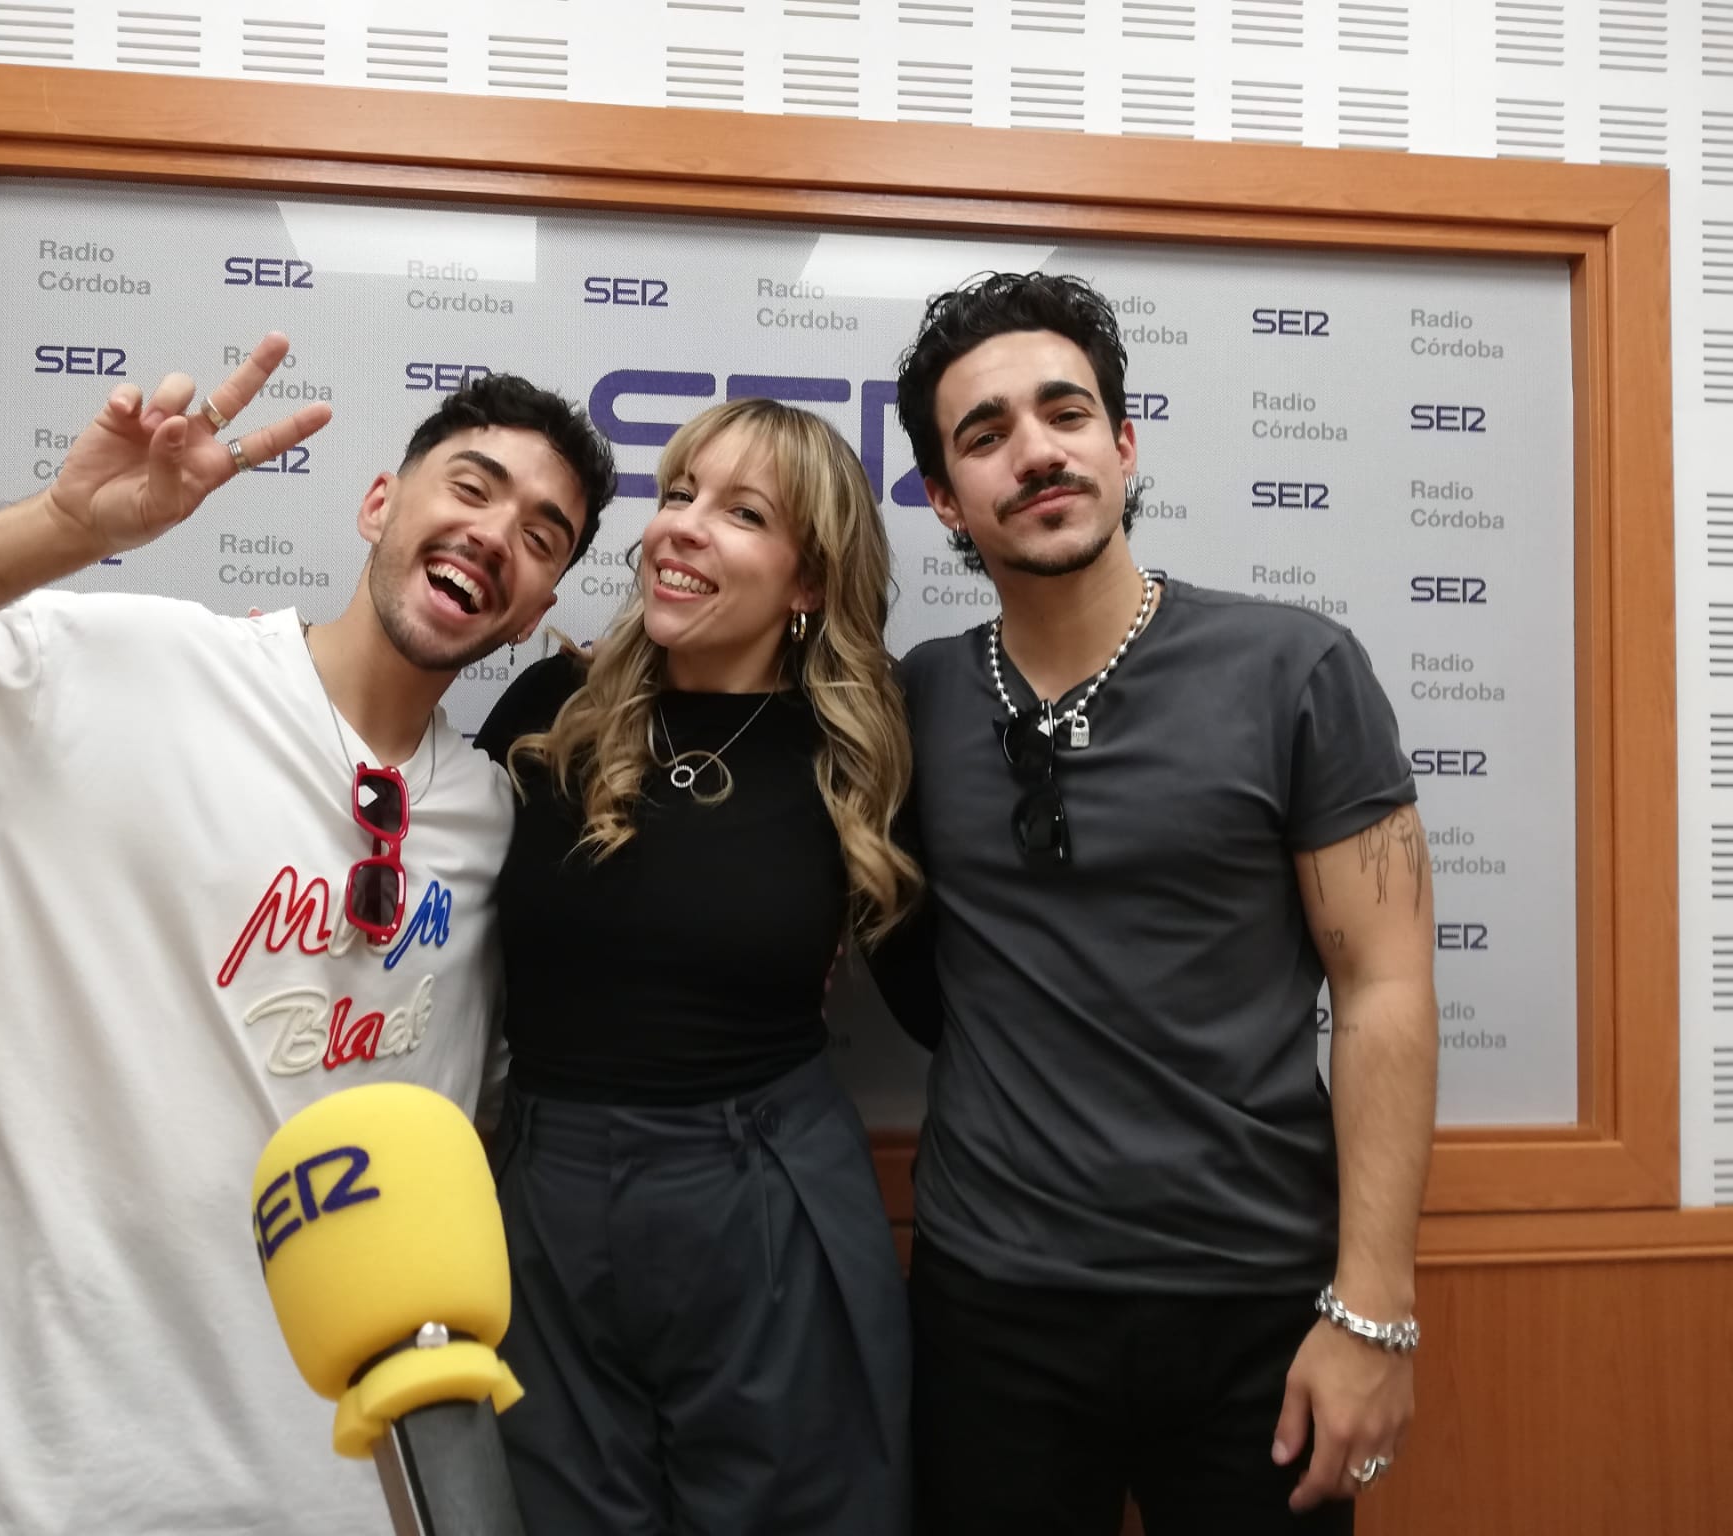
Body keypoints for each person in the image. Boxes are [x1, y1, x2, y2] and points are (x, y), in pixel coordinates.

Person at [0, 334, 617, 1536]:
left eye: (543, 536)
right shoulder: (109, 672)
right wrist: (66, 529)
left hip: (324, 1484)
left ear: (538, 605)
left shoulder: (491, 821)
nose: (497, 535)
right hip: (14, 1476)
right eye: (473, 486)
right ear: (380, 502)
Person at [877, 273, 1438, 1535]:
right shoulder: (914, 698)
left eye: (1062, 413)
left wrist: (1373, 1310)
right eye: (984, 435)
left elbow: (1385, 988)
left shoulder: (1294, 667)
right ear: (941, 499)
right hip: (991, 1306)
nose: (1033, 452)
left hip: (1257, 1308)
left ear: (1121, 444)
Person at [472, 398, 920, 1536]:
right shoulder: (545, 711)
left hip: (762, 1187)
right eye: (677, 494)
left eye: (740, 511)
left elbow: (944, 995)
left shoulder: (859, 758)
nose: (681, 526)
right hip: (540, 1191)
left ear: (807, 582)